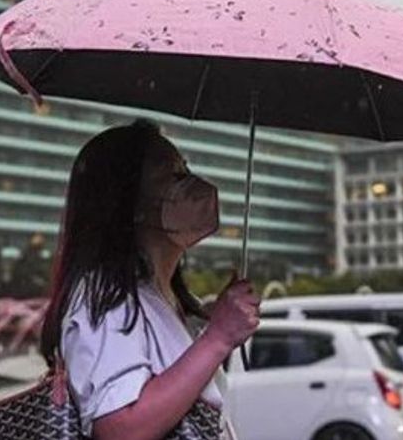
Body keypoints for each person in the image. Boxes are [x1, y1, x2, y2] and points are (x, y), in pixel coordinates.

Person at [39, 120, 259, 439]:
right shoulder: (106, 295)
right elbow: (121, 428)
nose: (191, 185)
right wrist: (218, 338)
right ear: (125, 200)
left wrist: (215, 329)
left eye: (185, 169)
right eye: (171, 174)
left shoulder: (160, 297)